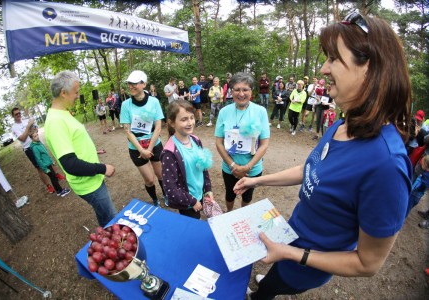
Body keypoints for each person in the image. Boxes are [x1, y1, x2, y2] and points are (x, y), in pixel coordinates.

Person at [235, 11, 413, 299]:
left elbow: (368, 263)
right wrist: (258, 181)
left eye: (333, 58)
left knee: (270, 288)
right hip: (290, 239)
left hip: (304, 265)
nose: (322, 69)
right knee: (274, 274)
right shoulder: (343, 124)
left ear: (369, 68)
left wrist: (294, 254)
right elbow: (311, 168)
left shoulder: (386, 166)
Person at [45, 71, 117, 227]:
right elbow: (70, 164)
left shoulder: (63, 113)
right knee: (111, 221)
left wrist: (91, 151)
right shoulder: (56, 122)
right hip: (88, 184)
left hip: (92, 179)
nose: (78, 96)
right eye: (76, 92)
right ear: (63, 93)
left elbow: (73, 144)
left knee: (106, 218)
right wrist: (102, 168)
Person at [215, 72, 270, 212]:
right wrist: (233, 165)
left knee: (247, 196)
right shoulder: (224, 112)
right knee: (230, 194)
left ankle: (242, 214)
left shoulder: (260, 111)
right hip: (229, 168)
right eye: (237, 89)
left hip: (252, 168)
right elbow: (219, 142)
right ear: (231, 91)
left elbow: (264, 144)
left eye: (245, 89)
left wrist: (247, 167)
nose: (241, 94)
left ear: (251, 91)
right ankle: (229, 213)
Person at [120, 70, 167, 207]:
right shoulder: (125, 105)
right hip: (136, 148)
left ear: (144, 84)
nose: (131, 86)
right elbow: (127, 131)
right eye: (129, 83)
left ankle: (165, 194)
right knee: (150, 180)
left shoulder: (154, 102)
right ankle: (154, 199)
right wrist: (142, 150)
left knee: (161, 175)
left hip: (154, 145)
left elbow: (158, 126)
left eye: (134, 83)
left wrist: (150, 149)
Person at [161, 100, 214, 219]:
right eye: (184, 119)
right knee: (193, 225)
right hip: (187, 202)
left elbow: (203, 166)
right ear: (172, 123)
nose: (190, 123)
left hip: (200, 194)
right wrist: (192, 201)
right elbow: (170, 188)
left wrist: (208, 189)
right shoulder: (169, 152)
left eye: (191, 117)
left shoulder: (196, 140)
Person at [11, 107, 65, 194]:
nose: (18, 115)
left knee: (48, 161)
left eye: (19, 113)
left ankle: (55, 175)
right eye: (16, 114)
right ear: (13, 116)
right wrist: (28, 127)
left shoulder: (26, 120)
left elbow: (35, 129)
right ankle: (48, 185)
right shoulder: (14, 127)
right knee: (39, 167)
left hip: (38, 144)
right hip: (29, 148)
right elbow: (23, 138)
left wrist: (33, 129)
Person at [29, 131, 70, 197]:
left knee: (53, 177)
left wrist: (51, 161)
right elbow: (38, 160)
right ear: (31, 138)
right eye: (35, 136)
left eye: (37, 135)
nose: (37, 137)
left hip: (48, 163)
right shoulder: (35, 148)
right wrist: (45, 169)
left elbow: (46, 154)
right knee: (53, 178)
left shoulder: (39, 143)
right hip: (46, 166)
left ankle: (58, 191)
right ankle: (61, 191)